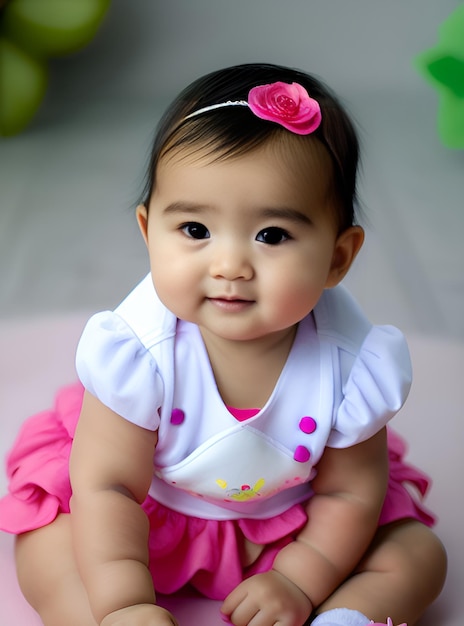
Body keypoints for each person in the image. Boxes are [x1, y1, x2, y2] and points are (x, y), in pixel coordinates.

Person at [0, 63, 446, 626]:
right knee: (49, 544)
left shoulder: (353, 366)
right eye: (195, 230)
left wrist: (298, 580)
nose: (230, 265)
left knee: (417, 556)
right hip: (146, 516)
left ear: (338, 257)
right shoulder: (138, 352)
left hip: (296, 527)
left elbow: (348, 497)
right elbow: (108, 487)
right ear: (148, 232)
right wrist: (124, 600)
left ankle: (346, 617)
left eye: (272, 235)